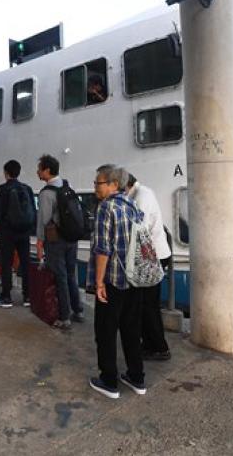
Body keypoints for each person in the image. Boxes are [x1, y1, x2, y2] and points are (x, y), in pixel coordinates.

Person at [89, 164, 146, 399]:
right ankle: (137, 377)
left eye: (99, 183)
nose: (95, 187)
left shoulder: (106, 207)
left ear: (113, 184)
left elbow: (103, 249)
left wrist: (99, 283)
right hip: (134, 279)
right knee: (131, 329)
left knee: (105, 331)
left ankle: (109, 380)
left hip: (113, 280)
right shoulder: (132, 204)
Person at [125, 173, 172, 361]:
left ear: (125, 185)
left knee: (148, 306)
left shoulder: (141, 196)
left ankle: (159, 348)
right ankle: (150, 344)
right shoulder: (142, 192)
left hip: (153, 257)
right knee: (146, 304)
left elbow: (139, 229)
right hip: (153, 255)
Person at [35, 155, 83, 330]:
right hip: (72, 238)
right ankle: (78, 310)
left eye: (40, 169)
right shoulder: (67, 186)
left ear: (47, 170)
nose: (38, 172)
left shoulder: (46, 193)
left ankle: (64, 317)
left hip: (55, 241)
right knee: (71, 275)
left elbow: (43, 220)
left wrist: (39, 243)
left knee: (60, 277)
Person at [0, 160, 34, 309]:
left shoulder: (2, 189)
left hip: (7, 233)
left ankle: (6, 296)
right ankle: (28, 296)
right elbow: (33, 211)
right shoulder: (27, 189)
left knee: (6, 264)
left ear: (6, 173)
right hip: (24, 232)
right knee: (25, 263)